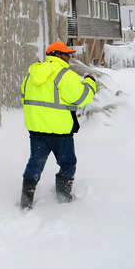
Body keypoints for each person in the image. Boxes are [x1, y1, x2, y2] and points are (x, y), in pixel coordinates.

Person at [20, 41, 96, 209]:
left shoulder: (31, 75)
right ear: (58, 55)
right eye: (67, 54)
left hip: (37, 130)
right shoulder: (64, 75)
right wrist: (90, 83)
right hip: (60, 132)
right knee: (68, 163)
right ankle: (63, 198)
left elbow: (24, 94)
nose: (69, 57)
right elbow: (81, 97)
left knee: (35, 162)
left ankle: (25, 202)